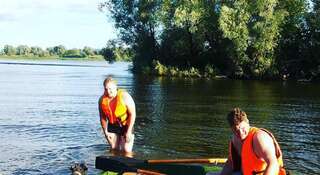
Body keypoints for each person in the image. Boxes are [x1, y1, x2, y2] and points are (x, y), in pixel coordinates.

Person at [207, 108, 287, 175]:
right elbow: (231, 163)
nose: (241, 133)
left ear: (247, 122)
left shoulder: (259, 138)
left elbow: (273, 164)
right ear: (231, 128)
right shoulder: (235, 139)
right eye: (236, 130)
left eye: (243, 128)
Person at [98, 76, 136, 154]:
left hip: (126, 125)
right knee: (114, 148)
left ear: (115, 87)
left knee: (126, 151)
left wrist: (128, 132)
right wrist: (106, 133)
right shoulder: (101, 100)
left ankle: (129, 165)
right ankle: (113, 165)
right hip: (112, 125)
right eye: (106, 89)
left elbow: (133, 114)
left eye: (110, 88)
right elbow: (102, 118)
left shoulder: (125, 97)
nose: (108, 91)